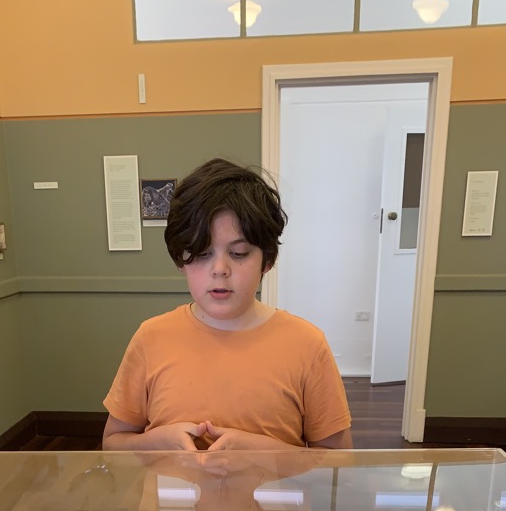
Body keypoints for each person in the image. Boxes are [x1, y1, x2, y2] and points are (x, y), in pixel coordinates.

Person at [102, 158, 352, 452]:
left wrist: (261, 452)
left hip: (269, 499)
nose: (220, 269)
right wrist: (159, 441)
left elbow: (337, 461)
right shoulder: (150, 338)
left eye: (239, 253)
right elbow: (113, 443)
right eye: (202, 253)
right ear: (180, 259)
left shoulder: (307, 346)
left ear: (267, 260)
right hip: (171, 499)